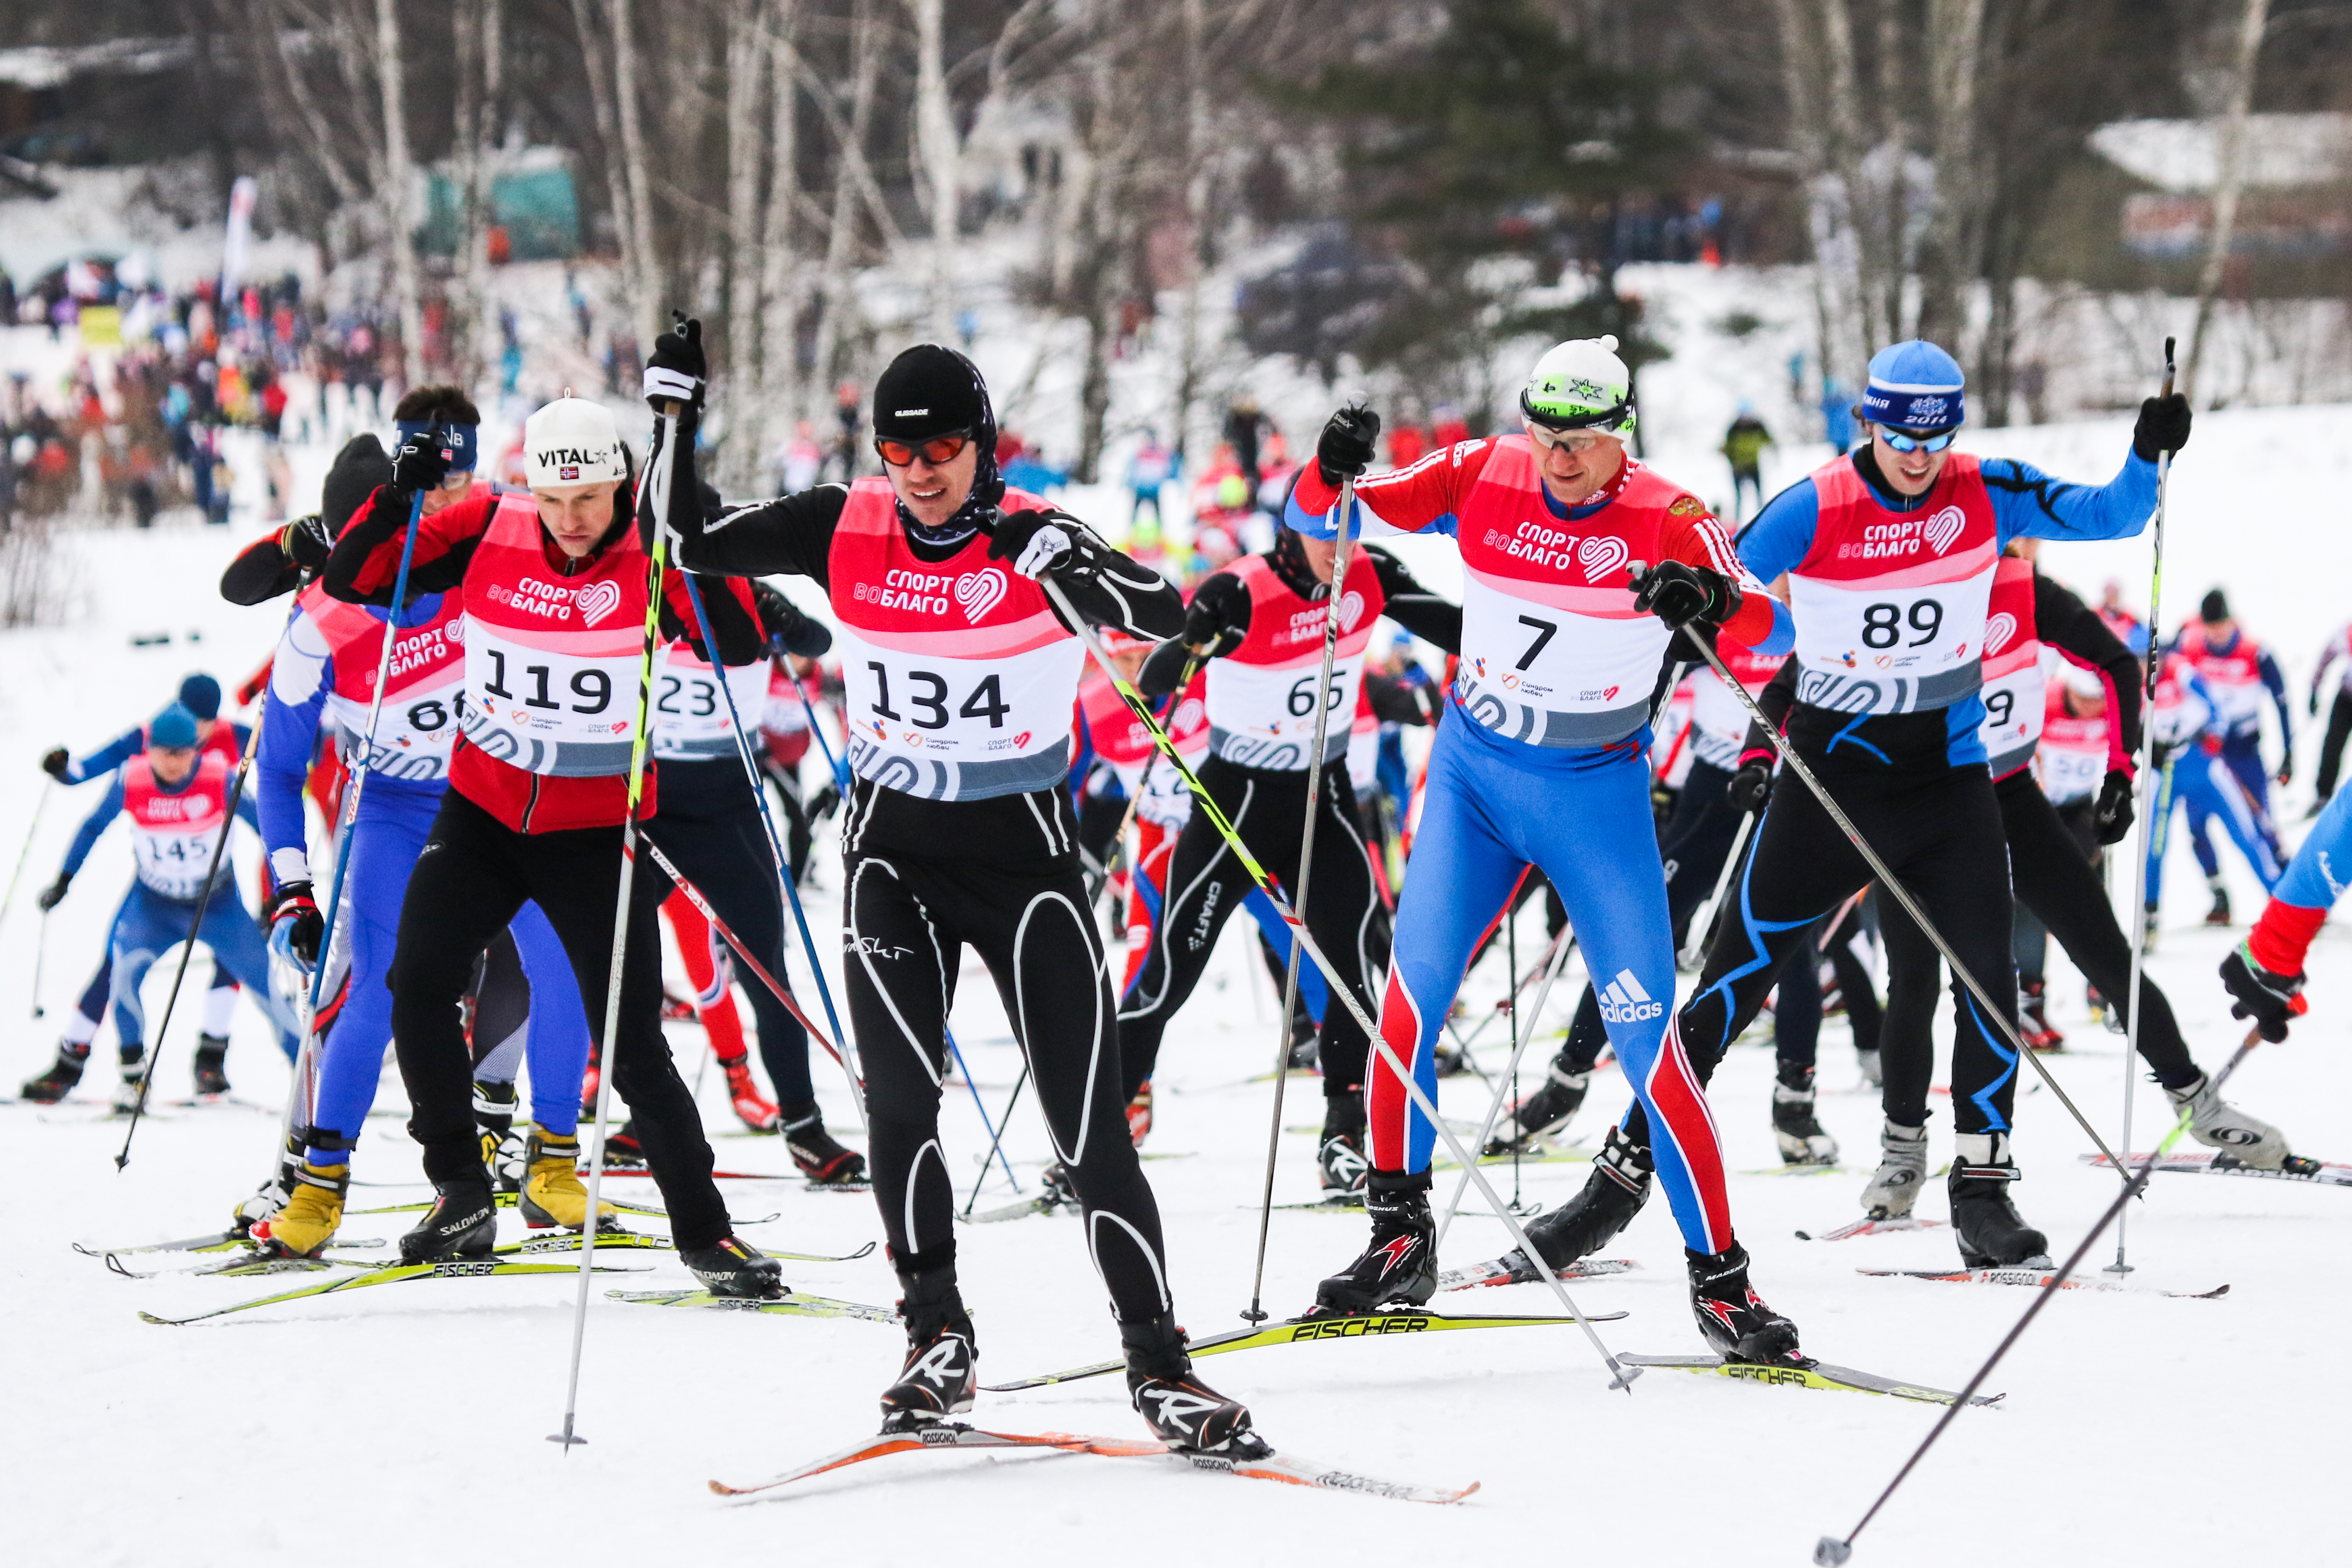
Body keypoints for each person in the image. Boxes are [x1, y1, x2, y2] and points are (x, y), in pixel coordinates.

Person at [661, 334, 1271, 1456]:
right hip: (893, 858)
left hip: (1024, 868)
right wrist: (678, 422)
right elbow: (690, 539)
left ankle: (1159, 1364)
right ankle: (935, 1335)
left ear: (982, 444)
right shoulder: (842, 524)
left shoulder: (1032, 532)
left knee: (1089, 1129)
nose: (921, 468)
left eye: (943, 445)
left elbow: (1162, 610)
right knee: (899, 1105)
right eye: (901, 448)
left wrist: (1065, 559)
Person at [1528, 339, 2188, 1273]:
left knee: (1987, 979)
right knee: (1726, 985)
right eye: (1897, 435)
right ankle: (1613, 1187)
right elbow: (1726, 576)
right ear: (1865, 423)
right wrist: (1689, 593)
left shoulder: (1984, 487)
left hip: (1946, 781)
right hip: (1830, 784)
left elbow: (2114, 515)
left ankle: (1981, 1190)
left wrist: (2145, 451)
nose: (1916, 457)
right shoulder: (1816, 502)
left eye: (1934, 436)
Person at [1286, 335, 1806, 1363]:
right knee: (1407, 1003)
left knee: (1649, 1050)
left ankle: (1724, 1287)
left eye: (1581, 440)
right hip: (1473, 785)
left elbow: (1773, 631)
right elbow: (1327, 518)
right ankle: (1400, 1239)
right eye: (1545, 433)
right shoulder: (1486, 469)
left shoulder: (1671, 515)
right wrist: (1329, 464)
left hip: (1591, 797)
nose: (1559, 458)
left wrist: (1707, 602)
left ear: (1622, 436)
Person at [321, 385, 781, 1296]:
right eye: (554, 498)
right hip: (484, 812)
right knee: (416, 982)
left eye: (590, 500)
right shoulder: (490, 523)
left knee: (634, 1043)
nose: (570, 521)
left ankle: (708, 1236)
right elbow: (357, 580)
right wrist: (399, 500)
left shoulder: (649, 547)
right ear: (530, 483)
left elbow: (735, 643)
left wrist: (687, 527)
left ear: (618, 486)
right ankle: (460, 1192)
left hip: (593, 830)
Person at [239, 420, 607, 1257]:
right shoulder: (317, 625)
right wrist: (292, 884)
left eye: (400, 539)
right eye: (363, 550)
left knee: (564, 965)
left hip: (498, 796)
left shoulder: (475, 557)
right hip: (396, 811)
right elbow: (278, 770)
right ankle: (319, 1187)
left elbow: (572, 538)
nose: (384, 568)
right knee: (380, 986)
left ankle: (551, 1170)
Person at [1849, 543, 2287, 1218]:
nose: (2013, 555)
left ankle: (2196, 1101)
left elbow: (2119, 664)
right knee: (1913, 980)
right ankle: (1902, 1153)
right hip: (1915, 809)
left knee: (2105, 950)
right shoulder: (1901, 584)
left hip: (2011, 797)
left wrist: (2120, 769)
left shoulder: (2026, 589)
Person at [1116, 525, 1459, 1190]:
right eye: (1324, 539)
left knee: (1353, 972)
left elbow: (1460, 626)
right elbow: (1160, 681)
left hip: (1325, 802)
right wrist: (1194, 635)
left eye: (1351, 538)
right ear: (1290, 535)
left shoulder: (1370, 573)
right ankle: (1099, 1128)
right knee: (1171, 973)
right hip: (1235, 807)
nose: (1340, 554)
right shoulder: (1242, 589)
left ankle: (1343, 1134)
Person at [641, 569, 864, 1182]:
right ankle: (642, 1120)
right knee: (619, 970)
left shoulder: (741, 590)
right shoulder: (643, 583)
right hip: (649, 805)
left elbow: (816, 641)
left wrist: (780, 615)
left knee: (769, 972)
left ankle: (804, 1128)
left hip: (728, 810)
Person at [29, 705, 300, 1109]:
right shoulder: (131, 779)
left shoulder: (219, 779)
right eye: (165, 752)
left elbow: (271, 828)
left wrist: (285, 890)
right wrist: (64, 880)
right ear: (149, 749)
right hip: (153, 905)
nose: (174, 762)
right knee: (121, 973)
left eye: (183, 752)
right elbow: (92, 827)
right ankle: (134, 1078)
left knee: (265, 986)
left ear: (196, 750)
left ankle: (311, 1079)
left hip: (217, 905)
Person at [2170, 590, 2291, 920]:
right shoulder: (2190, 646)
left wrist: (2288, 754)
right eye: (2211, 627)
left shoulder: (2256, 652)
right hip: (2205, 753)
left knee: (2261, 825)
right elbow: (2164, 664)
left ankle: (2290, 899)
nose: (2217, 634)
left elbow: (2282, 704)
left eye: (2222, 626)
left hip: (2243, 750)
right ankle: (2220, 898)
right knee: (2197, 827)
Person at [2143, 648, 2282, 931]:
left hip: (2203, 767)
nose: (2142, 667)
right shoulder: (2132, 682)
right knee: (2156, 844)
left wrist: (2215, 738)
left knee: (2244, 834)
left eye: (2145, 661)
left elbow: (2218, 708)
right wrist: (2145, 752)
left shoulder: (2181, 671)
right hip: (2167, 772)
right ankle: (2149, 913)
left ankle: (2281, 902)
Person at [2308, 619, 2352, 811]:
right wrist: (2314, 691)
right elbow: (2326, 657)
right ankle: (2324, 794)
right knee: (2333, 745)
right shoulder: (2346, 633)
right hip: (2347, 697)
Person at [1719, 402, 1774, 521]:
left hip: (1753, 465)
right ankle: (1738, 520)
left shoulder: (1757, 426)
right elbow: (1728, 447)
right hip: (1738, 467)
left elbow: (1768, 439)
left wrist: (1774, 450)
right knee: (1739, 497)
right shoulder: (1734, 428)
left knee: (1759, 494)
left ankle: (1761, 518)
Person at [1127, 431, 1175, 527]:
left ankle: (1159, 532)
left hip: (1153, 490)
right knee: (1135, 514)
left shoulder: (1162, 453)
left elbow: (1170, 470)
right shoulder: (1142, 453)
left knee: (1157, 514)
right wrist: (1129, 481)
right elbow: (1132, 467)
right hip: (1142, 489)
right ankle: (1132, 531)